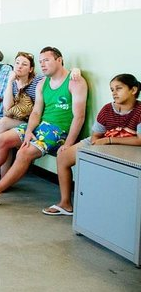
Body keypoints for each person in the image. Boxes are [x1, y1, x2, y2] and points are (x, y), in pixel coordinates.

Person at [0, 47, 88, 208]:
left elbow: (79, 116)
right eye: (40, 62)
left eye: (47, 60)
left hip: (58, 130)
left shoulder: (75, 81)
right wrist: (30, 130)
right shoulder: (43, 83)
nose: (43, 65)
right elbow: (36, 112)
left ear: (59, 60)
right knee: (3, 138)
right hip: (40, 126)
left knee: (24, 152)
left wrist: (68, 144)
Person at [43, 74, 141, 216]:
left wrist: (110, 141)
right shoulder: (107, 109)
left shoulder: (139, 111)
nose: (114, 93)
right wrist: (103, 143)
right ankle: (65, 203)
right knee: (63, 158)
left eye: (118, 89)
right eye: (112, 89)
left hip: (124, 147)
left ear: (133, 90)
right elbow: (95, 137)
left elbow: (139, 140)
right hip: (101, 143)